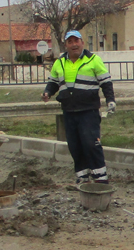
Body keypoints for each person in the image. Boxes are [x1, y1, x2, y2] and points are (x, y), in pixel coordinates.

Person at [42, 31, 116, 184]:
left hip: (88, 111)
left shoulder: (93, 60)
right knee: (75, 146)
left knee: (91, 144)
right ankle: (82, 178)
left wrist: (110, 100)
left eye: (77, 41)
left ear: (82, 43)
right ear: (66, 45)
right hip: (69, 111)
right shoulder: (60, 63)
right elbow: (54, 82)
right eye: (70, 42)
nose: (74, 44)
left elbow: (106, 82)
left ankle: (101, 179)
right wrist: (48, 92)